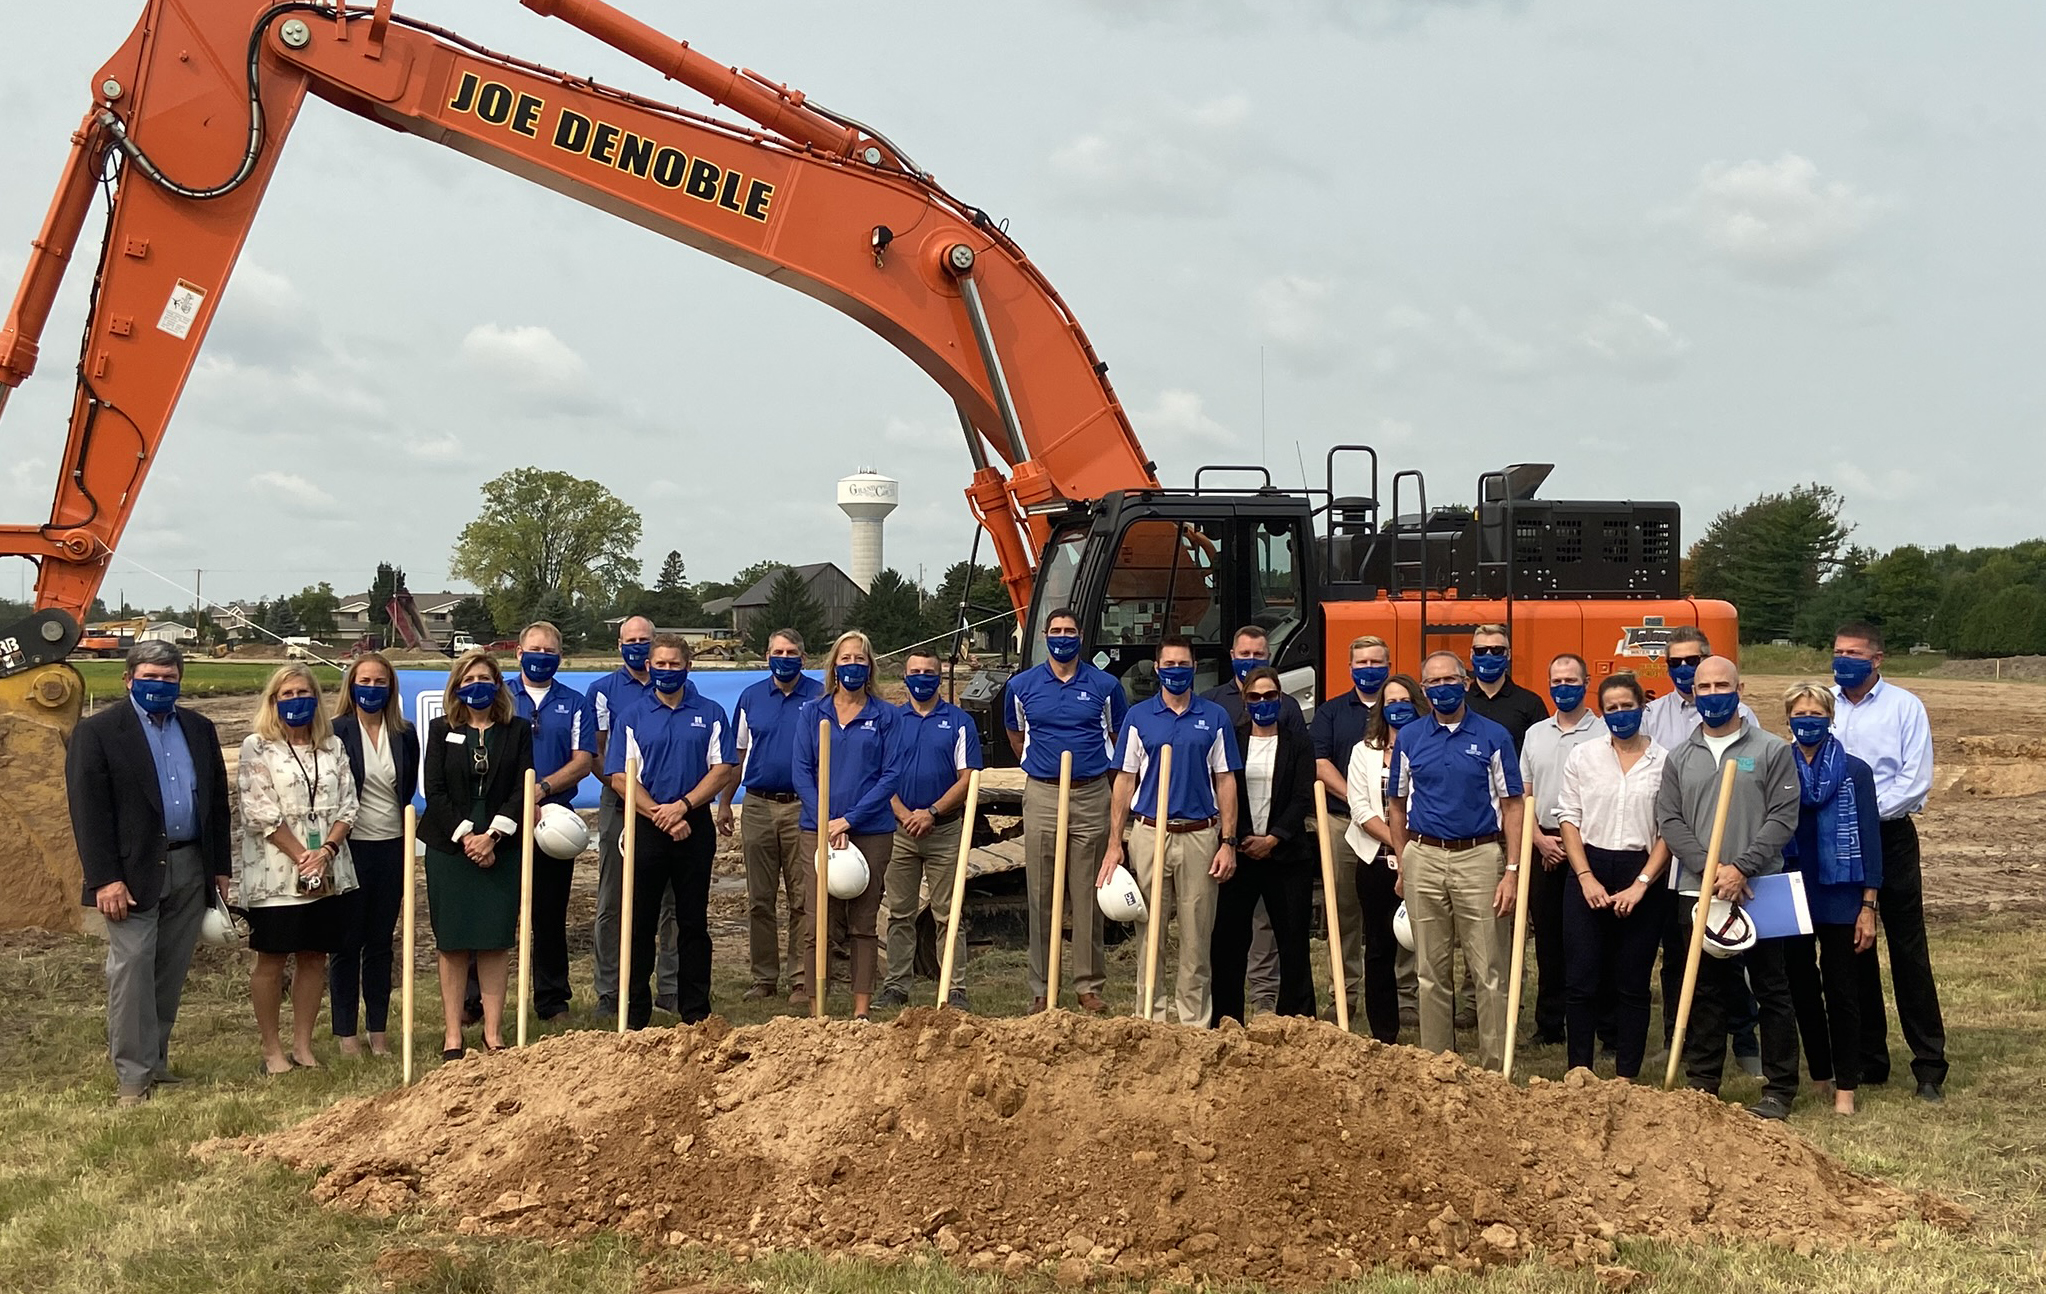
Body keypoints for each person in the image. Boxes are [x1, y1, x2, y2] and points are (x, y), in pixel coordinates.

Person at [66, 642, 231, 1107]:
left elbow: (216, 802)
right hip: (130, 873)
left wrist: (219, 868)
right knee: (132, 970)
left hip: (190, 864)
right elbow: (88, 812)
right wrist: (104, 879)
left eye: (168, 678)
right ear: (128, 679)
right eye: (150, 677)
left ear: (180, 681)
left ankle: (156, 1061)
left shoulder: (199, 729)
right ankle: (133, 1076)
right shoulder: (98, 733)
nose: (159, 685)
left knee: (169, 970)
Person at [1654, 655, 1802, 1118]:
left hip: (1762, 888)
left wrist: (1742, 868)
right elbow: (1670, 821)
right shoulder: (1680, 757)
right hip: (1696, 890)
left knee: (1772, 989)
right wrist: (1711, 868)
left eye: (1723, 684)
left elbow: (1783, 818)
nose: (1713, 694)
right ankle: (1704, 1082)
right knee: (1704, 989)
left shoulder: (1771, 750)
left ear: (1740, 688)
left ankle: (1779, 1088)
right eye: (1704, 686)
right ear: (1693, 693)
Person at [1386, 651, 1524, 1071]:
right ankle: (1438, 1064)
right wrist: (1403, 858)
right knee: (1430, 969)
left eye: (1450, 680)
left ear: (1465, 682)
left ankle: (1494, 1067)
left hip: (1480, 857)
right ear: (1423, 690)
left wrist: (1513, 870)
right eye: (1433, 682)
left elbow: (1513, 805)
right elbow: (1396, 803)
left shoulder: (1494, 735)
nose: (1442, 687)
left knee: (1489, 969)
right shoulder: (1410, 737)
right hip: (1424, 856)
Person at [1831, 621, 1946, 1102]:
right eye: (1837, 651)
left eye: (1853, 652)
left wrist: (1862, 811)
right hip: (1837, 840)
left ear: (1877, 659)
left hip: (1888, 833)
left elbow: (1914, 780)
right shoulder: (1825, 704)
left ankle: (1929, 1065)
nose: (1843, 660)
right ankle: (1868, 1058)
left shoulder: (1904, 707)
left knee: (1906, 951)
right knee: (1852, 949)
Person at [1099, 636, 1239, 1026]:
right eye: (1168, 664)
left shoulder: (1214, 717)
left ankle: (1194, 1021)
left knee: (1197, 936)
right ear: (1157, 668)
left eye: (1183, 663)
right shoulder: (1139, 717)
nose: (1175, 670)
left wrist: (1228, 842)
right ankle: (1150, 1018)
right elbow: (1124, 781)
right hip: (1149, 834)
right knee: (1150, 931)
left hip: (1199, 835)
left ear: (1194, 667)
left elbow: (1225, 780)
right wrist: (1116, 843)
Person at [1642, 624, 1760, 1072]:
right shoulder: (1654, 716)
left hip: (1733, 860)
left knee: (1732, 953)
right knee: (1678, 956)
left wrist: (1734, 862)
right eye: (1677, 663)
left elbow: (1756, 787)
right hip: (1681, 861)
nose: (1687, 671)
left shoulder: (1743, 715)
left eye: (1694, 662)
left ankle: (1745, 1038)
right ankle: (1680, 1037)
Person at [236, 664, 361, 1075]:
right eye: (286, 694)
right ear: (274, 701)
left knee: (314, 957)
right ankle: (272, 1051)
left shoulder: (332, 746)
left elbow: (349, 804)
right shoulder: (258, 746)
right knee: (272, 959)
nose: (296, 700)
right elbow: (259, 809)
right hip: (276, 871)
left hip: (327, 869)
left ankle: (303, 1046)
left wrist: (324, 852)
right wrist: (301, 857)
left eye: (303, 692)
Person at [605, 634, 734, 1028]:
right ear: (650, 667)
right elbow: (619, 777)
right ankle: (635, 1012)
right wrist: (660, 814)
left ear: (688, 666)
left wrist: (684, 807)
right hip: (647, 823)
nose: (665, 670)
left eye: (673, 664)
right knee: (640, 921)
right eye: (658, 664)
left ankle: (696, 1010)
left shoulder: (710, 712)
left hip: (692, 822)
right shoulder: (632, 716)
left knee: (692, 921)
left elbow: (723, 768)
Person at [1005, 607, 1128, 1014]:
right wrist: (1036, 766)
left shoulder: (1105, 685)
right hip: (1042, 793)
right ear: (1044, 635)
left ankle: (1088, 985)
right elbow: (1016, 734)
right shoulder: (1021, 686)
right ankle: (1042, 987)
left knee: (1088, 892)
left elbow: (1116, 735)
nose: (1062, 637)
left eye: (1069, 630)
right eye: (1055, 630)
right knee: (1041, 892)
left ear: (1080, 636)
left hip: (1091, 794)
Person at [1554, 673, 1670, 1079]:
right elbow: (1568, 817)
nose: (1621, 714)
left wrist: (1641, 885)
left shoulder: (1665, 761)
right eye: (1612, 708)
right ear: (1602, 713)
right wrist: (1584, 875)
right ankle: (1579, 1070)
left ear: (1643, 706)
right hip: (1589, 868)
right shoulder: (1584, 756)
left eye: (1628, 705)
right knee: (1583, 978)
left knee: (1633, 981)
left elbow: (1669, 828)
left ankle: (1627, 1075)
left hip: (1643, 873)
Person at [419, 651, 533, 1058]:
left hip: (502, 843)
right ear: (456, 688)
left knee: (494, 940)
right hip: (450, 846)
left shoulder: (517, 730)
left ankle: (493, 1032)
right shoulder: (439, 730)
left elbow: (524, 786)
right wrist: (467, 836)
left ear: (498, 684)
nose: (477, 686)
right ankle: (453, 1035)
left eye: (484, 678)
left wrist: (493, 836)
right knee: (451, 941)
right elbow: (433, 790)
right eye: (469, 680)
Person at [1781, 681, 1884, 1115]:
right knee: (1801, 988)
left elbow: (1871, 837)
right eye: (1800, 714)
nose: (1808, 721)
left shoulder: (1856, 771)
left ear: (1830, 718)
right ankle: (1819, 1075)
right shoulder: (1776, 766)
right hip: (1789, 887)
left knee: (1842, 991)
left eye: (1816, 714)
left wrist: (1868, 905)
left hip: (1841, 892)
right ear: (1787, 717)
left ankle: (1847, 1087)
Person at [1203, 625, 1310, 1016]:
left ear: (1280, 698)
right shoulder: (1233, 736)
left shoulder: (1297, 739)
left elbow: (1303, 794)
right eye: (1255, 697)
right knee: (1228, 940)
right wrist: (1243, 838)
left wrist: (1275, 838)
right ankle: (1226, 1016)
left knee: (1293, 941)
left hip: (1286, 855)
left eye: (1270, 695)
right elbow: (1224, 788)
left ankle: (1296, 1017)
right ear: (1245, 701)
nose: (1263, 701)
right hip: (1240, 854)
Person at [794, 630, 899, 1020]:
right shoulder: (812, 712)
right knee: (818, 921)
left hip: (870, 830)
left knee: (863, 922)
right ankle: (817, 1008)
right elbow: (802, 770)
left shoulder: (885, 715)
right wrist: (825, 821)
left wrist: (849, 820)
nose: (852, 665)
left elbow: (890, 776)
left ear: (869, 666)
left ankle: (860, 1010)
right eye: (845, 658)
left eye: (860, 659)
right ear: (833, 665)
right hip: (816, 829)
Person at [716, 627, 824, 1005]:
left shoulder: (820, 696)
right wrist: (726, 802)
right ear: (767, 655)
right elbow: (738, 756)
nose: (784, 657)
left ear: (804, 658)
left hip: (803, 807)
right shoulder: (750, 698)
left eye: (792, 651)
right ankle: (764, 977)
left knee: (801, 896)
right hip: (759, 805)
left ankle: (800, 977)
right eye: (778, 651)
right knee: (761, 898)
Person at [875, 648, 984, 1010]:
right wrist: (904, 813)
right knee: (900, 913)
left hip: (945, 830)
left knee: (948, 913)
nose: (922, 678)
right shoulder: (889, 721)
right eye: (915, 671)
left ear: (940, 677)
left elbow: (968, 777)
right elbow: (879, 775)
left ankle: (955, 988)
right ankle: (896, 986)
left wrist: (932, 813)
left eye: (929, 672)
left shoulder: (958, 722)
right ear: (904, 677)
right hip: (899, 831)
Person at [329, 652, 419, 1057]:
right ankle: (346, 1034)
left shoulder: (404, 733)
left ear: (390, 687)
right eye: (364, 681)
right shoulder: (335, 733)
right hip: (349, 848)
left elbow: (406, 792)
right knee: (347, 942)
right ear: (351, 685)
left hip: (391, 847)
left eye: (379, 682)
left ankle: (378, 1033)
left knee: (381, 942)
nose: (371, 688)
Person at [506, 620, 596, 1021]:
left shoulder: (575, 703)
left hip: (554, 818)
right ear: (519, 653)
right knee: (496, 910)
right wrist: (516, 800)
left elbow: (583, 760)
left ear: (559, 656)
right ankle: (475, 998)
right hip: (503, 818)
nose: (541, 657)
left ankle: (552, 999)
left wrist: (540, 790)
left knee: (549, 912)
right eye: (534, 650)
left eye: (549, 651)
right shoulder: (500, 696)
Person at [1518, 653, 1607, 1047]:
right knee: (1550, 940)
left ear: (1586, 682)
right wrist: (1537, 837)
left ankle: (1603, 1024)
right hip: (1542, 843)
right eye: (1557, 681)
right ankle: (1550, 1023)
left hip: (1587, 843)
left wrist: (1573, 847)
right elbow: (1524, 792)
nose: (1563, 687)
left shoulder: (1603, 733)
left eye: (1572, 681)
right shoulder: (1536, 733)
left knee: (1591, 939)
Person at [588, 615, 675, 1017]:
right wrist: (631, 793)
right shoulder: (603, 690)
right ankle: (611, 989)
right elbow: (598, 753)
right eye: (631, 640)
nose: (638, 646)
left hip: (670, 808)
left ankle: (670, 987)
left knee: (670, 901)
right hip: (620, 803)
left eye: (645, 640)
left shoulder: (675, 684)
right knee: (614, 898)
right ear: (619, 644)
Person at [1311, 635, 1390, 1028]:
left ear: (1389, 666)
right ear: (1350, 667)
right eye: (1361, 662)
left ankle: (1403, 993)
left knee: (1398, 915)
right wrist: (1360, 802)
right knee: (1343, 913)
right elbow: (1320, 763)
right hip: (1343, 823)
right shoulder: (1331, 712)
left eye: (1376, 661)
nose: (1368, 668)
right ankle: (1343, 992)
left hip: (1397, 830)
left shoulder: (1401, 709)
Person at [1343, 672, 1424, 1042]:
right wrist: (1399, 845)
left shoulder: (1431, 744)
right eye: (1390, 702)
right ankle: (1384, 1032)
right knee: (1378, 949)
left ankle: (1432, 1025)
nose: (1397, 708)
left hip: (1425, 858)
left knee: (1428, 946)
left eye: (1404, 700)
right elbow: (1361, 808)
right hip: (1376, 860)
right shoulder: (1364, 752)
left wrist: (1411, 852)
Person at [1641, 626, 1755, 752]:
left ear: (1708, 659)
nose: (1683, 667)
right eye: (1675, 662)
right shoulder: (1650, 716)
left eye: (1691, 660)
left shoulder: (1741, 713)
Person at [1462, 624, 1550, 758]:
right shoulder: (1460, 702)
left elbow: (1541, 755)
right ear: (1471, 654)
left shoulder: (1530, 703)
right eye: (1481, 650)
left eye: (1497, 650)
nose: (1488, 655)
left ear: (1508, 654)